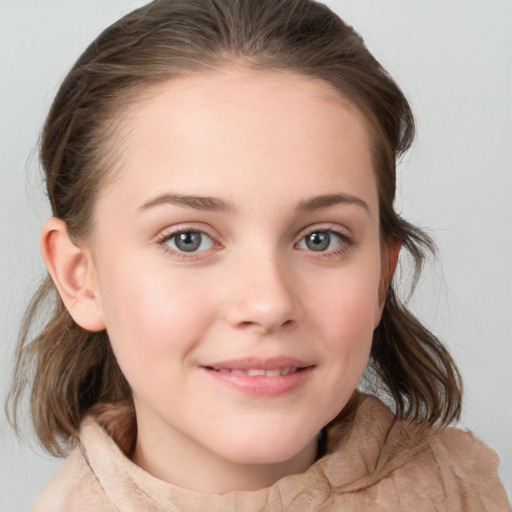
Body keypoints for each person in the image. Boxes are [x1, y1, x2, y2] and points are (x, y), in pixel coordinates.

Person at [6, 0, 509, 510]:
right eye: (188, 239)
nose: (268, 304)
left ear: (382, 274)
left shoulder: (468, 494)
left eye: (321, 238)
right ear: (79, 277)